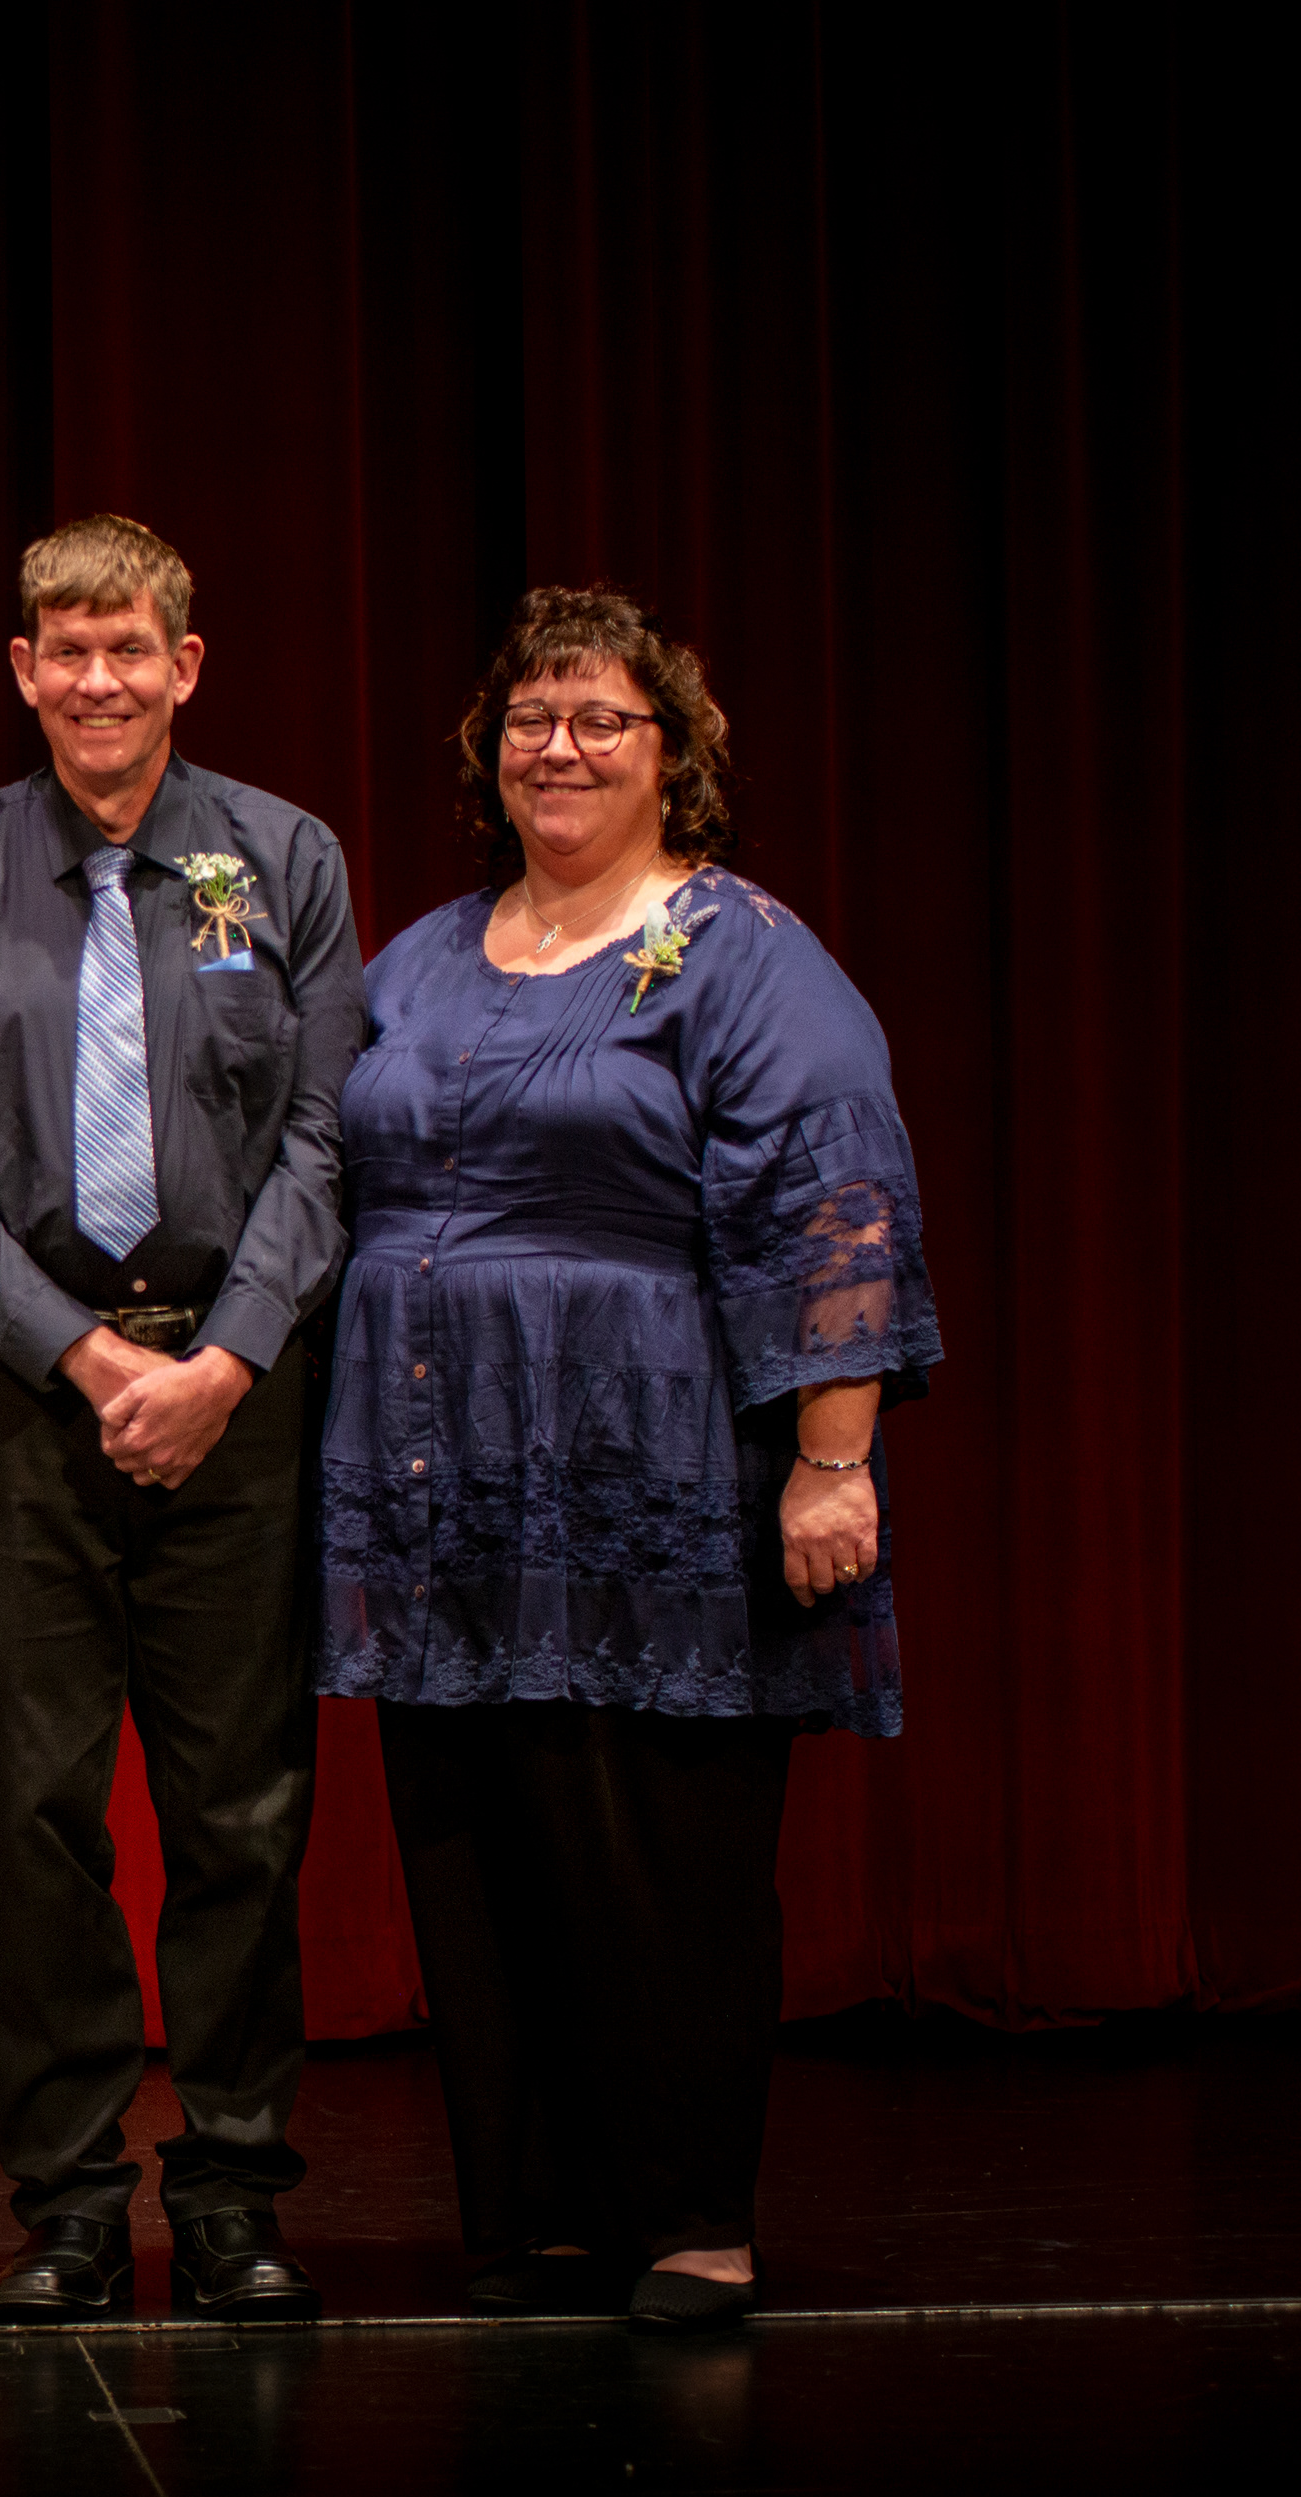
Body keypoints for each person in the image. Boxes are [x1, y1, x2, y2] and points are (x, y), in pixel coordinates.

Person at [323, 586, 939, 2332]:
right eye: (532, 720)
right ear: (489, 754)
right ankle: (535, 2216)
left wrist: (834, 1456)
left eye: (603, 719)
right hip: (444, 1470)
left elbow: (836, 1185)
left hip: (643, 1458)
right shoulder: (427, 955)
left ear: (673, 753)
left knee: (655, 1844)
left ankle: (686, 2219)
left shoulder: (741, 949)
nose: (563, 749)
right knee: (484, 1836)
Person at [0, 514, 367, 2327]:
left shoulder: (283, 859)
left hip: (242, 1394)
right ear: (24, 671)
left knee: (239, 1810)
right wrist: (82, 1357)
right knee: (40, 1810)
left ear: (185, 666)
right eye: (66, 650)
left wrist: (224, 1358)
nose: (99, 680)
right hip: (30, 1403)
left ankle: (232, 2188)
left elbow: (326, 1133)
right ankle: (71, 2199)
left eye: (129, 648)